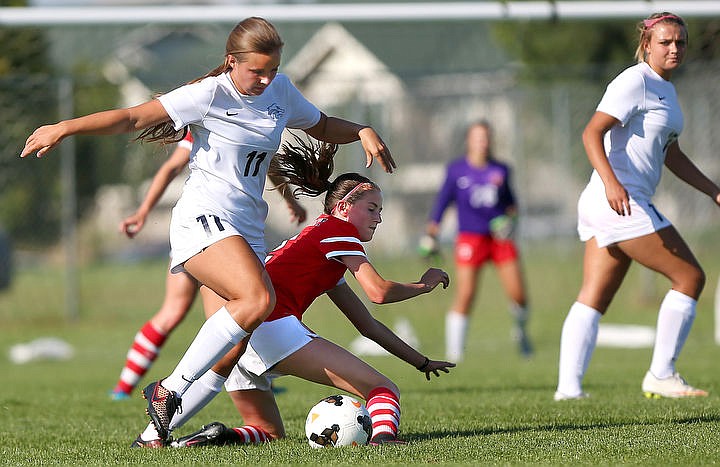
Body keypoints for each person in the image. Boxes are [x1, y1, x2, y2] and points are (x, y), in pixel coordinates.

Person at [20, 16, 395, 441]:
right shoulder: (208, 94)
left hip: (247, 230)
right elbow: (131, 117)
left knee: (229, 352)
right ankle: (169, 389)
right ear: (231, 61)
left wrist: (362, 129)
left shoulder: (280, 90)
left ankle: (152, 437)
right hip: (204, 219)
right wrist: (64, 127)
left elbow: (322, 125)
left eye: (272, 69)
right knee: (257, 298)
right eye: (257, 70)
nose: (266, 78)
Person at [131, 139, 452, 448]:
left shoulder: (318, 243)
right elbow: (378, 292)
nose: (378, 218)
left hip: (239, 331)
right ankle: (385, 441)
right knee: (383, 389)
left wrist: (420, 361)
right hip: (271, 326)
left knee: (267, 431)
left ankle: (158, 437)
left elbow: (367, 326)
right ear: (343, 207)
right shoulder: (338, 232)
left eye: (380, 211)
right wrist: (424, 283)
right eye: (371, 209)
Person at [554, 12, 719, 401]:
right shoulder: (635, 80)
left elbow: (671, 154)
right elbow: (591, 132)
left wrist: (713, 190)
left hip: (610, 202)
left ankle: (568, 390)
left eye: (680, 41)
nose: (674, 48)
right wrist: (613, 183)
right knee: (690, 278)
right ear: (646, 45)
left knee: (594, 296)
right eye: (665, 42)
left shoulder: (667, 90)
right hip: (619, 201)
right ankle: (661, 374)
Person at [110, 132, 306, 400]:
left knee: (239, 314)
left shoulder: (249, 123)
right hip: (204, 235)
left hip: (228, 237)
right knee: (184, 312)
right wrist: (143, 211)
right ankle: (128, 387)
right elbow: (171, 167)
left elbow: (264, 164)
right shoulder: (210, 124)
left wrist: (290, 199)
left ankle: (251, 379)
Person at [421, 120, 532, 361]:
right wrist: (432, 234)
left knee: (519, 294)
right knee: (466, 293)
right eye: (478, 137)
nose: (483, 142)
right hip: (471, 238)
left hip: (500, 240)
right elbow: (442, 203)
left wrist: (509, 221)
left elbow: (512, 206)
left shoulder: (501, 169)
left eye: (486, 137)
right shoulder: (456, 170)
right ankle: (455, 353)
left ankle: (521, 334)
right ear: (469, 141)